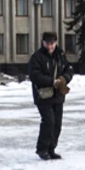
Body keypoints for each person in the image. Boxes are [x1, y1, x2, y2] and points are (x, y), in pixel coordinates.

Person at [26, 32, 73, 160]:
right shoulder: (37, 57)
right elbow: (34, 75)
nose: (50, 46)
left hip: (58, 95)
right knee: (49, 121)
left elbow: (69, 69)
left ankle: (51, 149)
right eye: (47, 43)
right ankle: (42, 149)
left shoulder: (61, 55)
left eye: (52, 44)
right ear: (43, 42)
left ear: (56, 42)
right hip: (43, 95)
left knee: (57, 123)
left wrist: (64, 78)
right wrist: (51, 81)